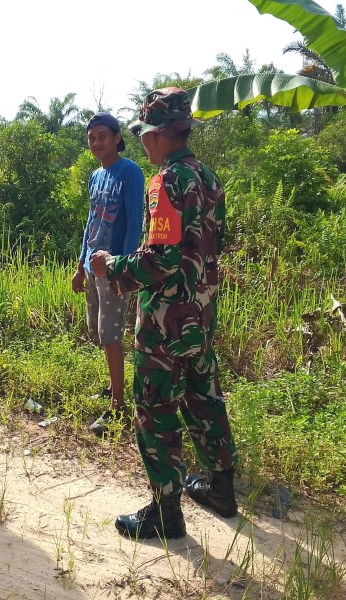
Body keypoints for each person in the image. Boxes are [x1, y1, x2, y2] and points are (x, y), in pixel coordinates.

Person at [90, 88, 237, 539]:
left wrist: (110, 265)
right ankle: (220, 489)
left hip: (164, 321)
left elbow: (160, 259)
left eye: (146, 134)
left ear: (162, 134)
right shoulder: (209, 177)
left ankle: (165, 513)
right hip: (201, 313)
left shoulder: (167, 182)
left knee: (155, 410)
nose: (143, 143)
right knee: (203, 398)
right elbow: (215, 245)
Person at [72, 112, 144, 436]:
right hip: (91, 266)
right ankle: (113, 389)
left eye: (102, 136)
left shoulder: (130, 171)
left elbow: (135, 224)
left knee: (111, 334)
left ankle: (118, 407)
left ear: (117, 137)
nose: (97, 142)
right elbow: (91, 221)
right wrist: (79, 265)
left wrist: (122, 268)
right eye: (91, 138)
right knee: (98, 332)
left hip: (113, 268)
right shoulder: (95, 176)